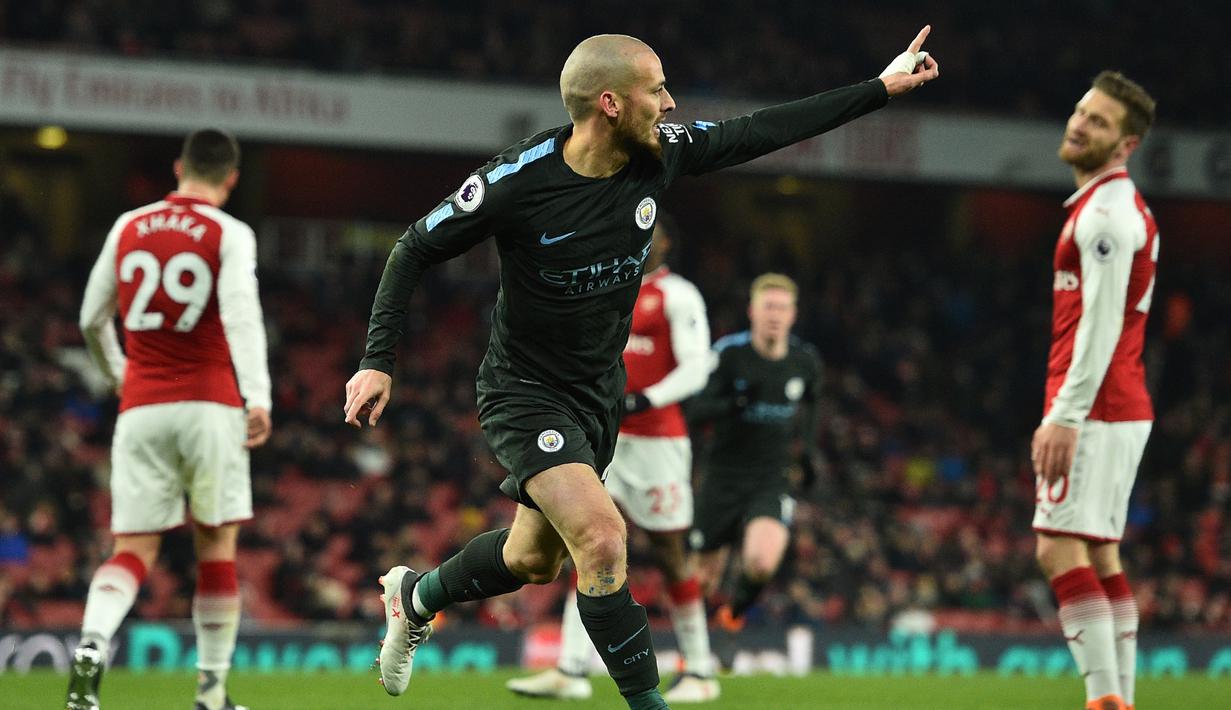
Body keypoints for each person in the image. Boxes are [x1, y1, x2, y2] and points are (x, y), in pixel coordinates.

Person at [343, 30, 938, 710]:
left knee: (534, 559)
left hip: (598, 395)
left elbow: (760, 131)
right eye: (655, 89)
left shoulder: (659, 155)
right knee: (601, 540)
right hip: (525, 391)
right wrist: (377, 362)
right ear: (609, 104)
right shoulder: (516, 181)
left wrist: (878, 88)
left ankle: (414, 596)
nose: (670, 101)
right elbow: (412, 248)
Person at [70, 129, 272, 710]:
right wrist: (256, 396)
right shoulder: (229, 232)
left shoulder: (128, 225)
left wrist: (120, 375)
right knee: (216, 547)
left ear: (179, 166)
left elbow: (90, 317)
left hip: (142, 407)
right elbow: (239, 313)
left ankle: (90, 647)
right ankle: (210, 694)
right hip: (209, 405)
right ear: (230, 178)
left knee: (131, 549)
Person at [505, 214, 719, 703]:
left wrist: (646, 398)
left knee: (669, 555)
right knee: (586, 541)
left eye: (654, 234)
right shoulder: (602, 286)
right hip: (602, 437)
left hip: (658, 445)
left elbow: (697, 366)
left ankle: (702, 669)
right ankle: (570, 669)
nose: (644, 242)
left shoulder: (677, 295)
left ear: (666, 243)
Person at [1030, 71, 1158, 710]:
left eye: (1100, 122)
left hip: (1098, 407)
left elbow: (1102, 325)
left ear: (1125, 144)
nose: (1080, 124)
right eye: (1081, 111)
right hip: (1119, 405)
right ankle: (1120, 700)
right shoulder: (1111, 206)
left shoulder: (1105, 215)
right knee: (1100, 555)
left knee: (1057, 548)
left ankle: (1104, 701)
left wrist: (1065, 415)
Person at [685, 274, 822, 629]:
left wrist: (806, 453)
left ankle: (733, 615)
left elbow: (812, 407)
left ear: (793, 314)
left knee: (762, 562)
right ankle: (693, 655)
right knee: (701, 578)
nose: (775, 314)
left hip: (771, 478)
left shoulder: (805, 362)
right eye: (768, 306)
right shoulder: (728, 355)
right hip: (723, 476)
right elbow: (695, 410)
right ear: (752, 311)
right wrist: (736, 403)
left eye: (782, 307)